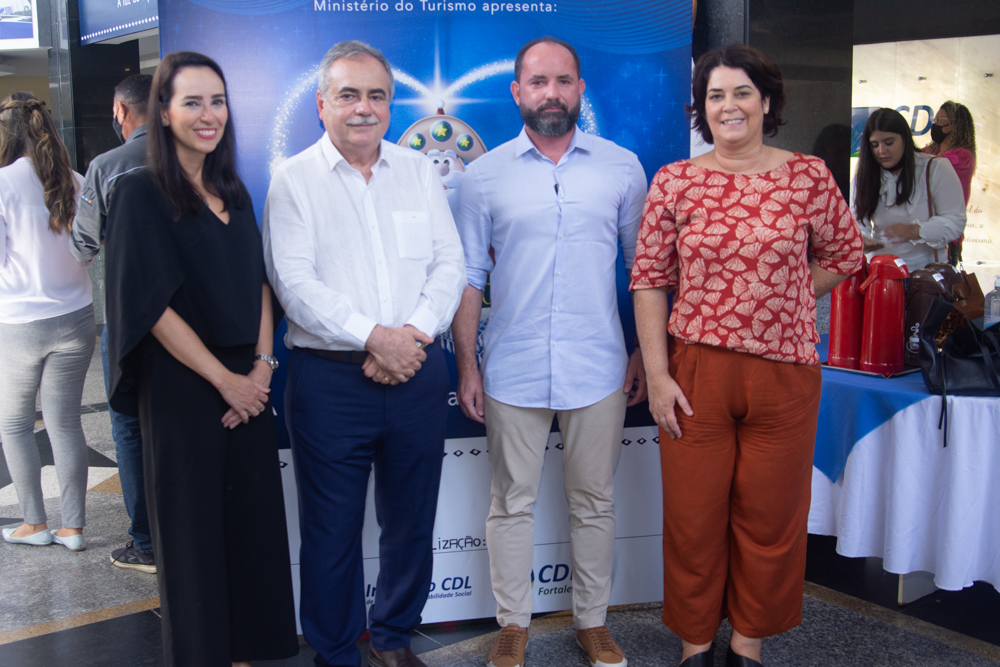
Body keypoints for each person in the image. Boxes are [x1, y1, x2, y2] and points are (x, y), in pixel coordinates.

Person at [630, 45, 863, 667]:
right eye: (715, 95)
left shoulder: (808, 176)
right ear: (702, 109)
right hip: (695, 373)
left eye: (740, 92)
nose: (728, 106)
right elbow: (650, 279)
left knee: (770, 519)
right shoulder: (675, 180)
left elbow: (845, 255)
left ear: (766, 101)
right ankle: (695, 645)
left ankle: (747, 646)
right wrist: (657, 374)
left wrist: (782, 297)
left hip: (785, 374)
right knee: (693, 518)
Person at [262, 41, 465, 667]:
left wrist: (411, 335)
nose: (363, 108)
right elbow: (293, 284)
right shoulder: (292, 181)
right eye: (348, 95)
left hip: (418, 372)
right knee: (330, 531)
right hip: (330, 382)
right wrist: (377, 338)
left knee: (411, 523)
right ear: (322, 103)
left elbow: (449, 262)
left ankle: (396, 638)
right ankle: (335, 651)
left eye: (376, 95)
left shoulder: (417, 170)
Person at [452, 36, 647, 667]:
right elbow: (469, 280)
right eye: (538, 82)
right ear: (517, 92)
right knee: (511, 503)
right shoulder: (481, 177)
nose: (551, 94)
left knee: (595, 501)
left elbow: (645, 272)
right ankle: (514, 624)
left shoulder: (621, 166)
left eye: (563, 81)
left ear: (581, 88)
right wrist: (466, 364)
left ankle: (593, 622)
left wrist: (646, 351)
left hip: (600, 366)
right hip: (512, 365)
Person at [104, 52, 298, 667]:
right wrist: (226, 382)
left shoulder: (234, 192)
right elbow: (150, 307)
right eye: (192, 102)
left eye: (217, 101)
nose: (208, 115)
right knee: (193, 541)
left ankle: (244, 654)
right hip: (186, 390)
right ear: (163, 112)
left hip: (249, 384)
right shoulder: (139, 193)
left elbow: (262, 285)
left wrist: (262, 372)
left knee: (250, 533)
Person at [69, 73, 156, 573]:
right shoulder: (192, 159)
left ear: (121, 112)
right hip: (194, 323)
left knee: (127, 424)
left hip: (127, 320)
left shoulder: (106, 166)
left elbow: (83, 245)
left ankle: (145, 542)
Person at [0, 92, 92, 552]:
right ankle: (73, 529)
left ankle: (34, 524)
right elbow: (90, 249)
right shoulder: (75, 181)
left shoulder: (2, 183)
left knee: (14, 425)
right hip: (75, 319)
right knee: (65, 424)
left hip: (19, 323)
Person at [853, 107, 966, 271]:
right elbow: (856, 221)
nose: (881, 151)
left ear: (905, 139)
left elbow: (956, 221)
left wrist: (915, 231)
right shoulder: (864, 175)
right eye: (874, 145)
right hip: (879, 277)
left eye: (889, 142)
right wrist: (862, 241)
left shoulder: (935, 168)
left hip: (925, 278)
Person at [924, 100, 976, 205]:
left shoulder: (963, 157)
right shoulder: (934, 150)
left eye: (939, 120)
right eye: (935, 120)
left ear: (954, 125)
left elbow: (934, 167)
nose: (935, 124)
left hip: (947, 218)